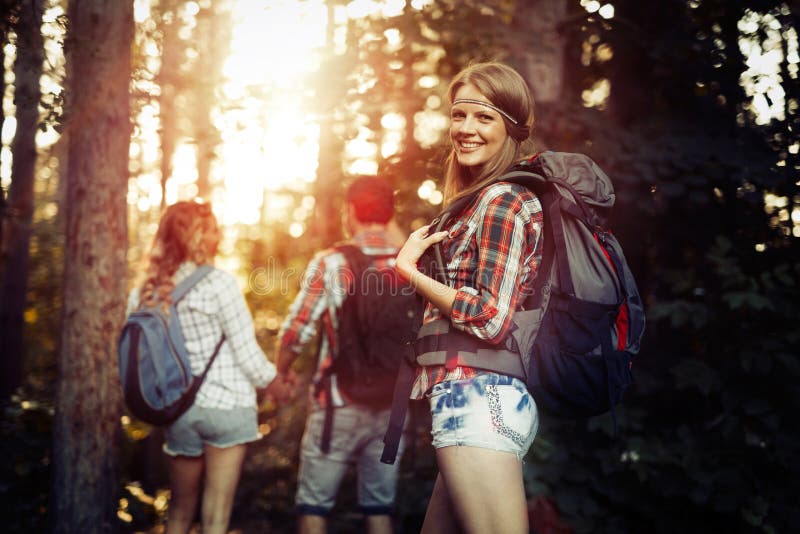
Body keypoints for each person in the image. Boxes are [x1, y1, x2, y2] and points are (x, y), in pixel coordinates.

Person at [393, 61, 543, 534]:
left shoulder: (503, 201)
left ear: (511, 127)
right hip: (471, 398)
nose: (466, 129)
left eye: (484, 117)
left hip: (479, 400)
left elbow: (490, 317)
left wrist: (408, 271)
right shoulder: (475, 202)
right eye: (459, 115)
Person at [126, 200, 291, 534]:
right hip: (228, 407)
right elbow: (247, 355)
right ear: (205, 236)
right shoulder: (220, 284)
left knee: (179, 511)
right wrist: (278, 386)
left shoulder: (146, 292)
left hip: (179, 410)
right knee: (216, 518)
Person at [275, 176, 408, 534]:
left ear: (351, 211)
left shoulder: (334, 263)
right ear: (389, 212)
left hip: (338, 402)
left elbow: (296, 332)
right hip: (394, 406)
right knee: (379, 507)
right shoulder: (412, 262)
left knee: (314, 506)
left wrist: (281, 372)